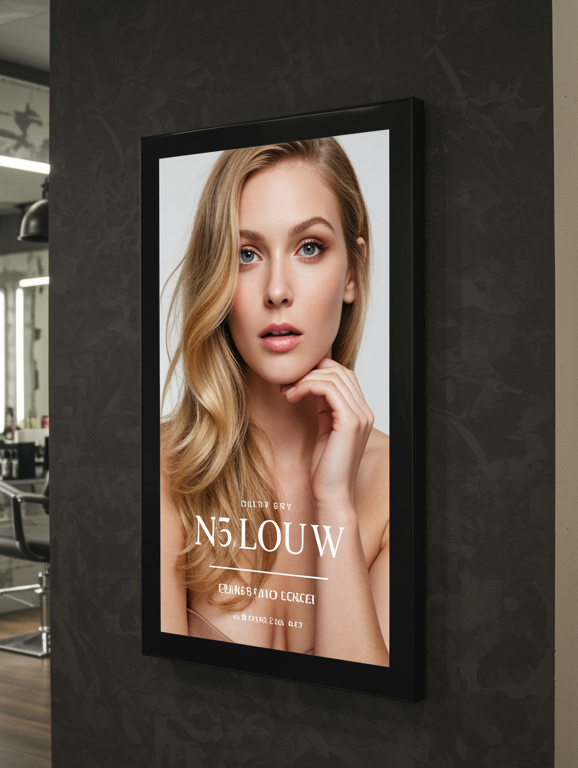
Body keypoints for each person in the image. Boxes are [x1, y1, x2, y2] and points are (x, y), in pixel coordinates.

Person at [159, 138, 390, 667]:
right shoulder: (169, 465)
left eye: (310, 247)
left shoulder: (402, 480)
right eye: (246, 254)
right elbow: (156, 701)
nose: (277, 290)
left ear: (353, 271)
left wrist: (335, 502)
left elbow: (376, 721)